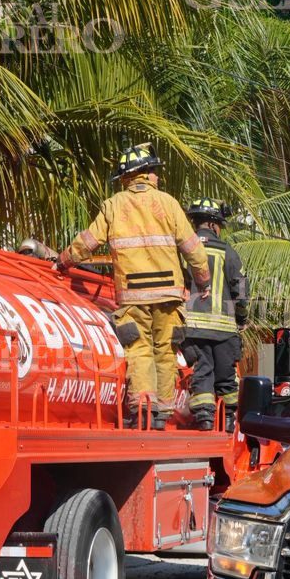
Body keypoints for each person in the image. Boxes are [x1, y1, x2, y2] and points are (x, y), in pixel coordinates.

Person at [57, 143, 211, 428]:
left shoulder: (113, 205)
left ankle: (144, 409)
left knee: (139, 350)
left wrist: (62, 262)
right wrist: (203, 281)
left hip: (133, 296)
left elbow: (88, 242)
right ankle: (162, 415)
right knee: (164, 351)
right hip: (169, 295)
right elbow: (193, 250)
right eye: (154, 171)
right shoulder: (168, 203)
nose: (157, 177)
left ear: (126, 177)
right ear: (145, 173)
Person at [180, 199, 249, 432]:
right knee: (226, 377)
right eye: (219, 224)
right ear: (212, 224)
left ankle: (204, 419)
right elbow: (240, 288)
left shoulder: (183, 250)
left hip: (193, 327)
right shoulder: (227, 251)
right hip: (224, 330)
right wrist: (241, 317)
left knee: (202, 371)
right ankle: (228, 420)